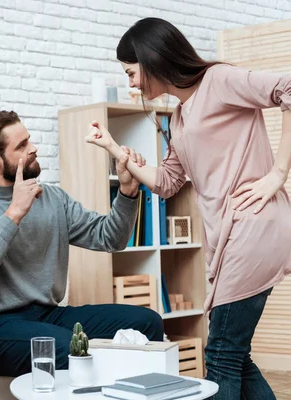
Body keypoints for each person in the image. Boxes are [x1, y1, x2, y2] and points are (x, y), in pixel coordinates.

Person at [87, 17, 291, 399]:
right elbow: (166, 182)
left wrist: (278, 173)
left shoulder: (219, 80)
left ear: (151, 60)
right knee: (234, 354)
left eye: (131, 72)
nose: (130, 82)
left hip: (254, 227)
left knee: (222, 355)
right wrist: (116, 150)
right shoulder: (179, 116)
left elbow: (288, 87)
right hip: (231, 237)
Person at [0, 110, 164, 377]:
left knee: (147, 322)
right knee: (64, 345)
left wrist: (128, 192)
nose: (33, 149)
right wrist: (14, 212)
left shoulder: (53, 198)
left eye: (29, 140)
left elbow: (110, 238)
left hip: (47, 315)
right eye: (22, 146)